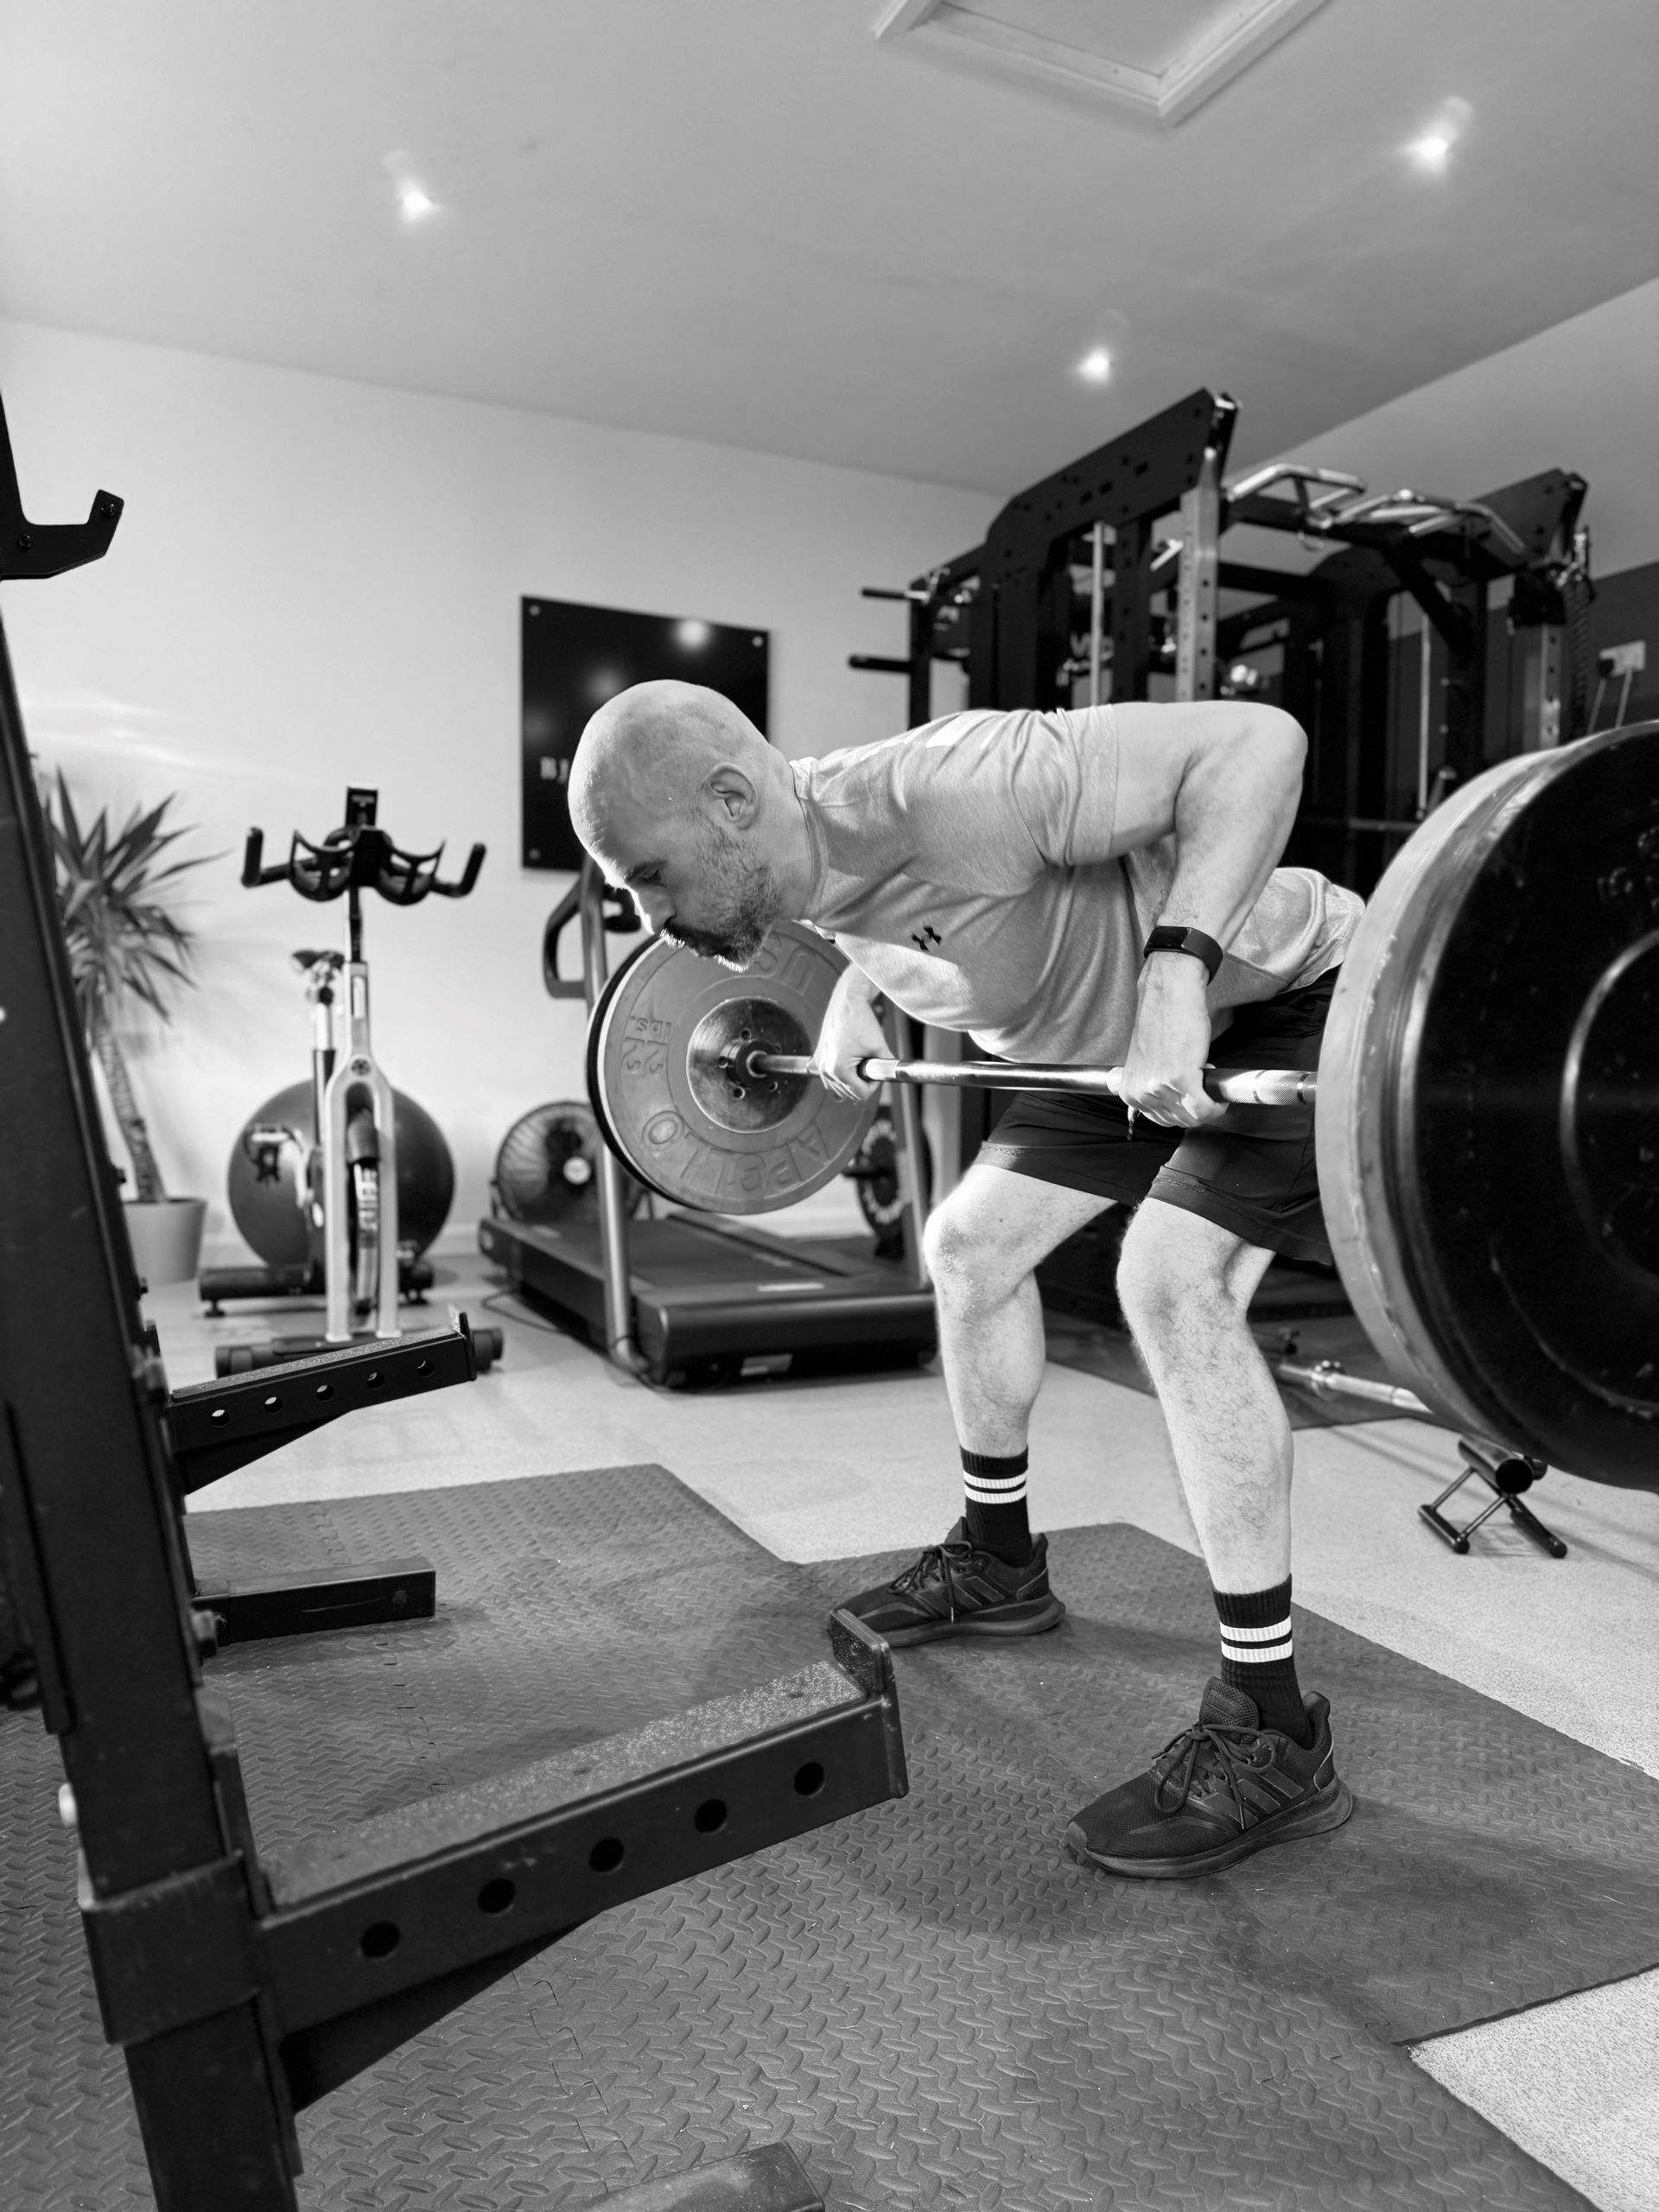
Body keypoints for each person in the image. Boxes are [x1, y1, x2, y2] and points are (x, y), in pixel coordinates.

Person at [569, 679, 1363, 1880]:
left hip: (1281, 1004)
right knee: (966, 1249)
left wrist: (1174, 979)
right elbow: (895, 918)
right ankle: (1000, 1560)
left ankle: (1275, 1731)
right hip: (1093, 1056)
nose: (649, 913)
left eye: (649, 875)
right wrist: (853, 988)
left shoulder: (958, 785)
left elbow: (1262, 739)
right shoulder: (798, 858)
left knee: (1168, 1283)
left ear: (730, 802)